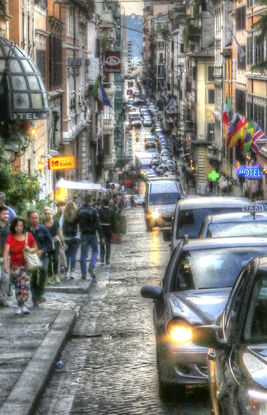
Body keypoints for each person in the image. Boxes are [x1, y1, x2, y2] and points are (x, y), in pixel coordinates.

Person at [3, 217, 37, 315]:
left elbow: (35, 248)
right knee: (18, 286)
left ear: (23, 226)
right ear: (14, 227)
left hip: (26, 265)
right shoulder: (10, 237)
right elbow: (6, 251)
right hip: (15, 266)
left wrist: (29, 249)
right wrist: (5, 263)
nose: (19, 227)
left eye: (21, 225)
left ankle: (24, 305)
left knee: (25, 286)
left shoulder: (28, 236)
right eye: (17, 225)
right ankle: (19, 306)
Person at [76, 194, 103, 281]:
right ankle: (91, 265)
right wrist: (101, 236)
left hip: (83, 234)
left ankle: (84, 274)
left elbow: (76, 222)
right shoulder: (93, 210)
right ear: (90, 201)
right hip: (92, 234)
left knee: (83, 255)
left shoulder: (79, 211)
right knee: (95, 251)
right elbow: (98, 224)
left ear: (84, 201)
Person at [28, 211, 52, 307]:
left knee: (43, 271)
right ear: (29, 219)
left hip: (42, 255)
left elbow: (49, 243)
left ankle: (40, 294)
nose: (34, 220)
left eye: (36, 218)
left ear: (38, 218)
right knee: (33, 275)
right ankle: (35, 296)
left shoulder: (43, 229)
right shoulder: (27, 231)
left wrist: (42, 251)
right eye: (32, 218)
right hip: (31, 256)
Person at [43, 207, 64, 284]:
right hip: (46, 243)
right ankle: (49, 276)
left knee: (55, 259)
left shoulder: (56, 222)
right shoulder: (42, 223)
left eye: (49, 214)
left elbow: (59, 232)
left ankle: (56, 274)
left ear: (51, 214)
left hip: (55, 242)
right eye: (45, 214)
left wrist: (62, 241)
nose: (47, 215)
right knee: (48, 260)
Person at [62, 201, 80, 279]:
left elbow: (60, 226)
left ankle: (66, 272)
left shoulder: (64, 216)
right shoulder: (77, 215)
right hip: (75, 237)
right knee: (73, 255)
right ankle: (72, 272)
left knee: (66, 256)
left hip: (66, 238)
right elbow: (80, 226)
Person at [98, 200, 115, 266]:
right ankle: (107, 260)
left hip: (102, 229)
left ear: (103, 203)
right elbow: (114, 222)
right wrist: (113, 230)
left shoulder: (100, 211)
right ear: (108, 204)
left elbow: (98, 220)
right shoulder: (111, 211)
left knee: (102, 243)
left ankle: (102, 258)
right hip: (109, 229)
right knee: (108, 245)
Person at [0, 206, 10, 307]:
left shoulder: (10, 228)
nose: (6, 216)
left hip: (6, 257)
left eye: (7, 214)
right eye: (4, 214)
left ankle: (3, 298)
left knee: (6, 278)